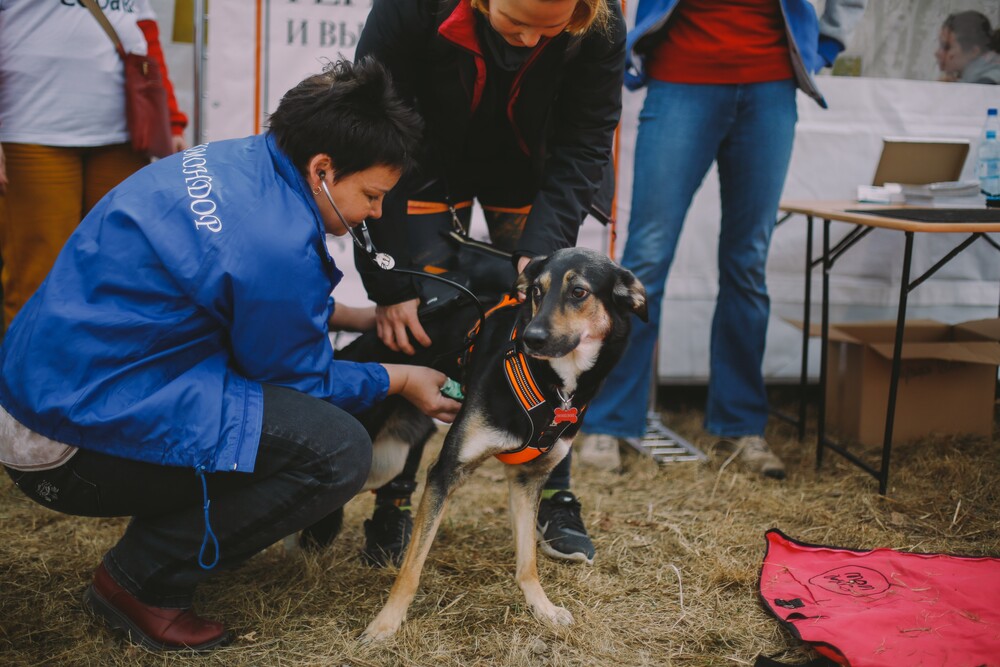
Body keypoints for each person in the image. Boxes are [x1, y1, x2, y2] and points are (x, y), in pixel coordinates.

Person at [0, 59, 460, 652]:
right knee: (335, 450)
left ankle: (174, 539)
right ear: (323, 168)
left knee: (277, 424)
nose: (375, 213)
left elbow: (235, 295)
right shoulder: (276, 241)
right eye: (372, 196)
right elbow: (302, 384)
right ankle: (140, 580)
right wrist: (400, 378)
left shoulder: (239, 164)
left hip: (42, 397)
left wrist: (359, 316)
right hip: (67, 447)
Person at [328, 0, 626, 567]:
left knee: (545, 330)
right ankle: (393, 501)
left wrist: (543, 250)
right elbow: (372, 122)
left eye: (549, 30)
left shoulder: (601, 20)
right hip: (419, 161)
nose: (527, 41)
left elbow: (587, 139)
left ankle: (556, 495)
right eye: (515, 23)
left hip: (535, 169)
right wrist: (389, 283)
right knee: (422, 322)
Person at [577, 0, 867, 478]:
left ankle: (740, 424)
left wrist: (826, 43)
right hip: (680, 80)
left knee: (748, 262)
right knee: (646, 259)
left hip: (770, 85)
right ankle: (610, 420)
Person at [0, 0, 189, 332]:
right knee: (38, 279)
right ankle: (31, 382)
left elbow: (146, 38)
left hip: (123, 139)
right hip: (32, 134)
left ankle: (101, 378)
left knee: (119, 274)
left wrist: (170, 121)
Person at [935, 10, 1000, 85]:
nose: (937, 53)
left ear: (973, 51)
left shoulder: (986, 84)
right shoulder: (975, 78)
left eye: (947, 47)